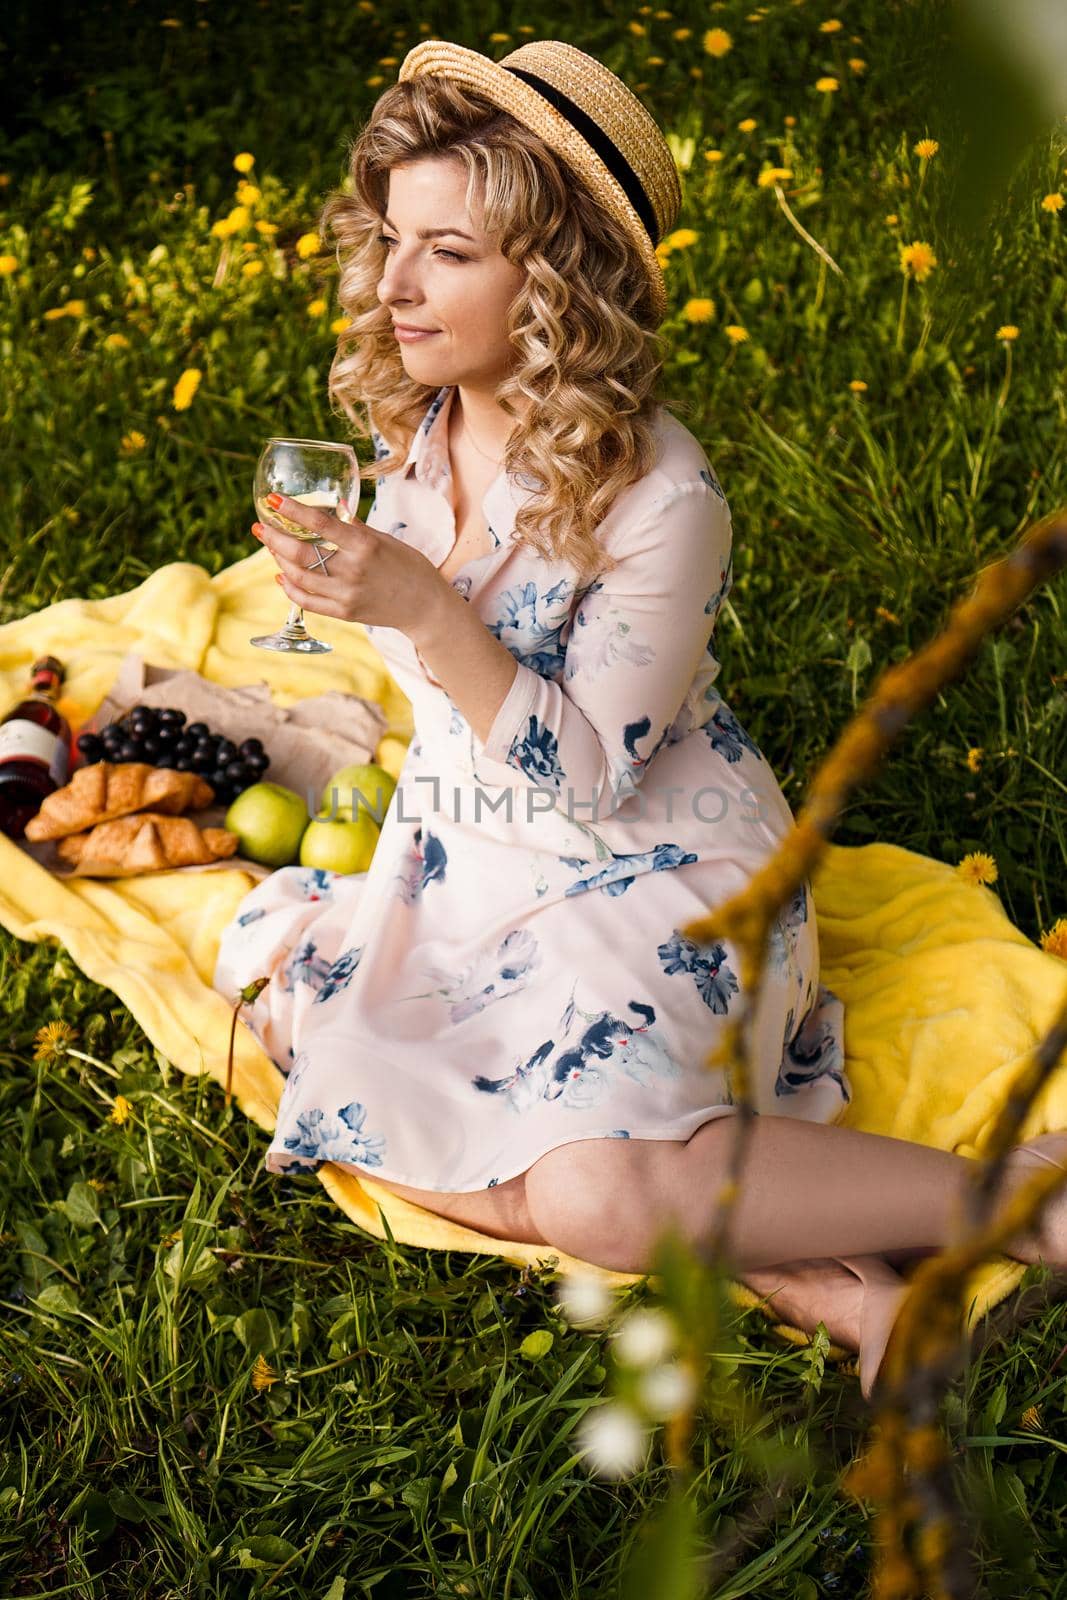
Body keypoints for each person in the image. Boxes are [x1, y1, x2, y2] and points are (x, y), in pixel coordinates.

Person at [215, 39, 1067, 1399]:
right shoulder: (414, 430)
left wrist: (426, 609)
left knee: (597, 1197)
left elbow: (597, 778)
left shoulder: (665, 494)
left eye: (448, 251)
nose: (394, 285)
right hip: (465, 865)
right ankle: (844, 1289)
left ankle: (1011, 1196)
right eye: (392, 239)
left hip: (659, 867)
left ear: (551, 280)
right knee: (316, 1058)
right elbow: (442, 719)